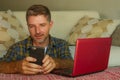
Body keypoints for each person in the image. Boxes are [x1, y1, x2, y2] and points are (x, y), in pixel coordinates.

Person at [0, 4, 73, 75]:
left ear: (50, 25)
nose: (37, 31)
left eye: (42, 25)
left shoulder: (61, 44)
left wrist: (57, 63)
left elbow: (71, 63)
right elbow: (1, 65)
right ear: (28, 26)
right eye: (32, 26)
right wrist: (17, 66)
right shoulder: (17, 47)